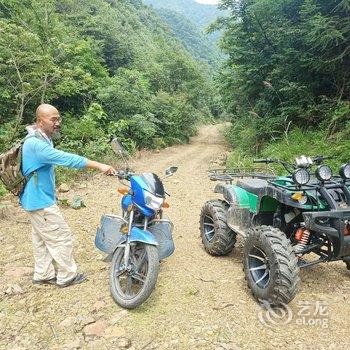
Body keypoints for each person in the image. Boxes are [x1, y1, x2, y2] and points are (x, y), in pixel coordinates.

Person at [20, 104, 117, 288]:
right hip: (40, 202)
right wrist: (99, 165)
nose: (57, 123)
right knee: (61, 237)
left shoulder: (41, 138)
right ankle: (67, 277)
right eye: (53, 120)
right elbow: (66, 158)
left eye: (58, 119)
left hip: (35, 199)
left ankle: (43, 274)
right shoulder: (35, 144)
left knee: (41, 239)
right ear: (40, 121)